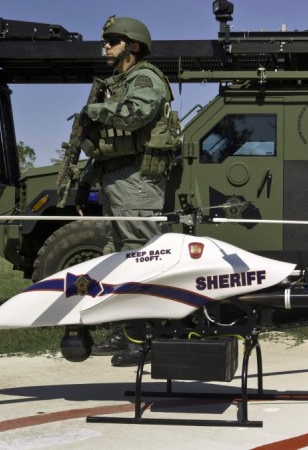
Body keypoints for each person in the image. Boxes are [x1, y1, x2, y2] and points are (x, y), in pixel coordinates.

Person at [75, 16, 176, 367]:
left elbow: (136, 114)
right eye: (106, 41)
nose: (106, 46)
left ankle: (147, 336)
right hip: (117, 180)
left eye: (113, 41)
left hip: (138, 181)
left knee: (139, 256)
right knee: (117, 255)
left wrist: (94, 111)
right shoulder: (119, 82)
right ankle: (128, 330)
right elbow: (109, 143)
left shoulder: (145, 78)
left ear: (132, 46)